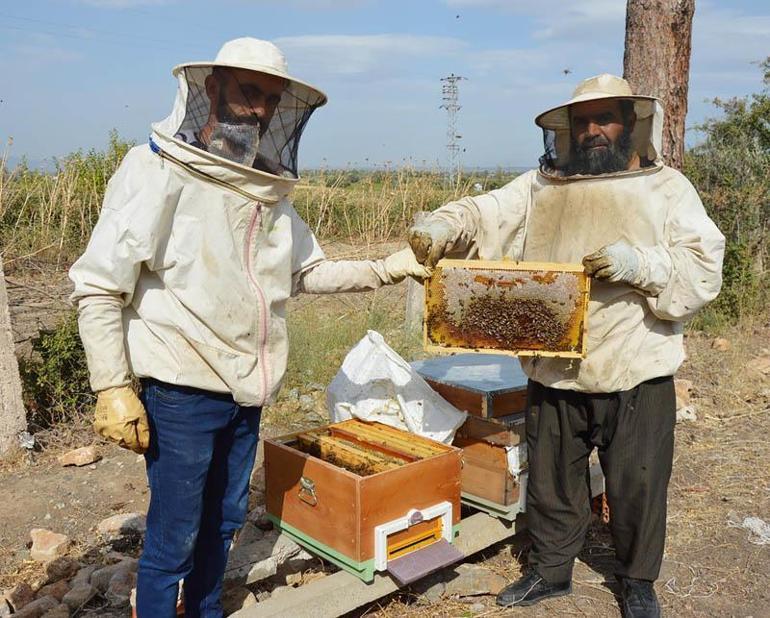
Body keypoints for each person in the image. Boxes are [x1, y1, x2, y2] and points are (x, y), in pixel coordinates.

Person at [69, 37, 429, 618]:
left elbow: (310, 271)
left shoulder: (269, 191)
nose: (258, 108)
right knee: (174, 535)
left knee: (224, 525)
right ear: (211, 89)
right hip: (180, 390)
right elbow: (98, 285)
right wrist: (110, 385)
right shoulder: (156, 172)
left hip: (247, 390)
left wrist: (388, 268)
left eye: (270, 98)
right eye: (248, 91)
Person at [408, 74, 725, 618]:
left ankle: (637, 581)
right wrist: (444, 224)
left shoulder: (668, 189)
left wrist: (642, 265)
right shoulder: (540, 187)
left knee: (637, 487)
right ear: (567, 131)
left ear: (630, 124)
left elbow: (702, 269)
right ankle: (551, 571)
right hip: (555, 366)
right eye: (583, 121)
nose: (593, 130)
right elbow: (487, 213)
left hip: (635, 366)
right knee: (553, 483)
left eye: (606, 119)